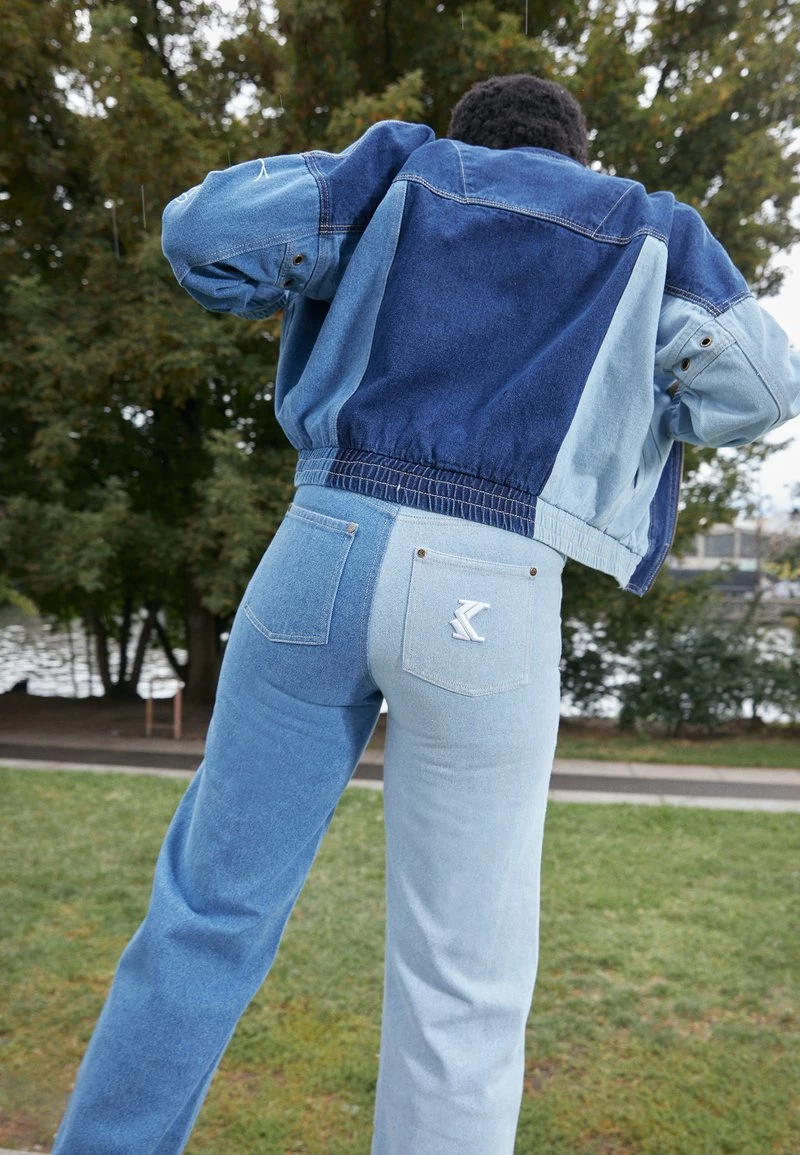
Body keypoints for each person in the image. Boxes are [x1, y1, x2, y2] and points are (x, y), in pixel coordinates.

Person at [51, 74, 800, 1155]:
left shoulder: (399, 171)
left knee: (206, 912)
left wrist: (344, 199)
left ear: (468, 139)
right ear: (576, 152)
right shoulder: (646, 228)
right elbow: (764, 386)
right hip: (494, 586)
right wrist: (628, 404)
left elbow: (202, 234)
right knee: (462, 981)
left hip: (322, 544)